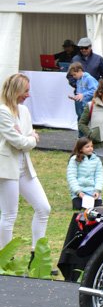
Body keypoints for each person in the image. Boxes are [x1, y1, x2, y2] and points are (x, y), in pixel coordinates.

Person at [0, 74, 51, 257]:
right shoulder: (3, 111)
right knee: (9, 215)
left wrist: (27, 138)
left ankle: (36, 255)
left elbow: (25, 139)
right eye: (26, 91)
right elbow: (21, 142)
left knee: (44, 208)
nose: (28, 95)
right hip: (6, 169)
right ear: (15, 90)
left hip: (24, 168)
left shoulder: (24, 111)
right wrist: (30, 139)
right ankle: (4, 258)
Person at [66, 138, 103, 210]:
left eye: (91, 146)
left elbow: (99, 177)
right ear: (80, 149)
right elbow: (71, 177)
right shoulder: (74, 159)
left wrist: (97, 191)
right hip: (79, 192)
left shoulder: (97, 160)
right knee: (78, 207)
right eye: (87, 146)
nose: (90, 148)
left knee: (98, 209)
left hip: (92, 191)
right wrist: (78, 192)